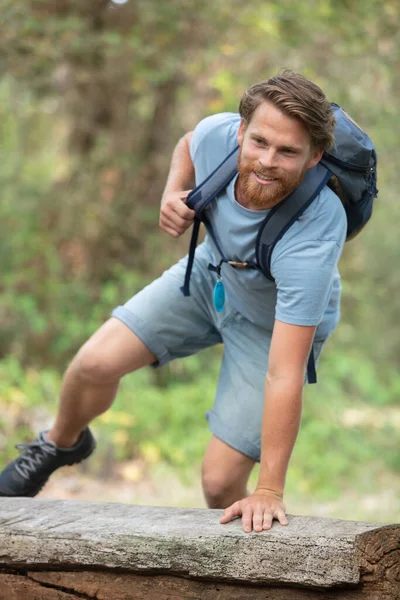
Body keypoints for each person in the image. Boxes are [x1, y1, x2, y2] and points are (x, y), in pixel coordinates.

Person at [0, 70, 347, 533]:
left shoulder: (316, 229)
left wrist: (269, 490)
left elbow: (284, 373)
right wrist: (172, 192)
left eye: (288, 152)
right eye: (260, 141)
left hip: (272, 321)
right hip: (212, 273)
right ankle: (59, 444)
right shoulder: (217, 137)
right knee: (93, 365)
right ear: (241, 131)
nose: (266, 160)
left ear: (313, 158)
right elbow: (188, 142)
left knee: (221, 484)